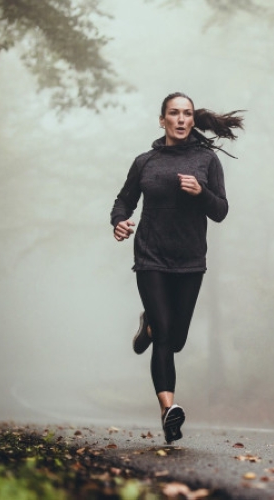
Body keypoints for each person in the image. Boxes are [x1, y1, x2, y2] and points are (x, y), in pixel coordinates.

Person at [110, 92, 243, 443]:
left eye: (186, 114)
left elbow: (220, 210)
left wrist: (201, 192)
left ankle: (148, 327)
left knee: (177, 338)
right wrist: (120, 222)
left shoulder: (207, 161)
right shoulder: (145, 162)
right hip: (151, 257)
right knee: (167, 337)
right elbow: (124, 200)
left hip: (189, 259)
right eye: (174, 113)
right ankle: (168, 410)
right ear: (162, 120)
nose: (181, 119)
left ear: (192, 120)